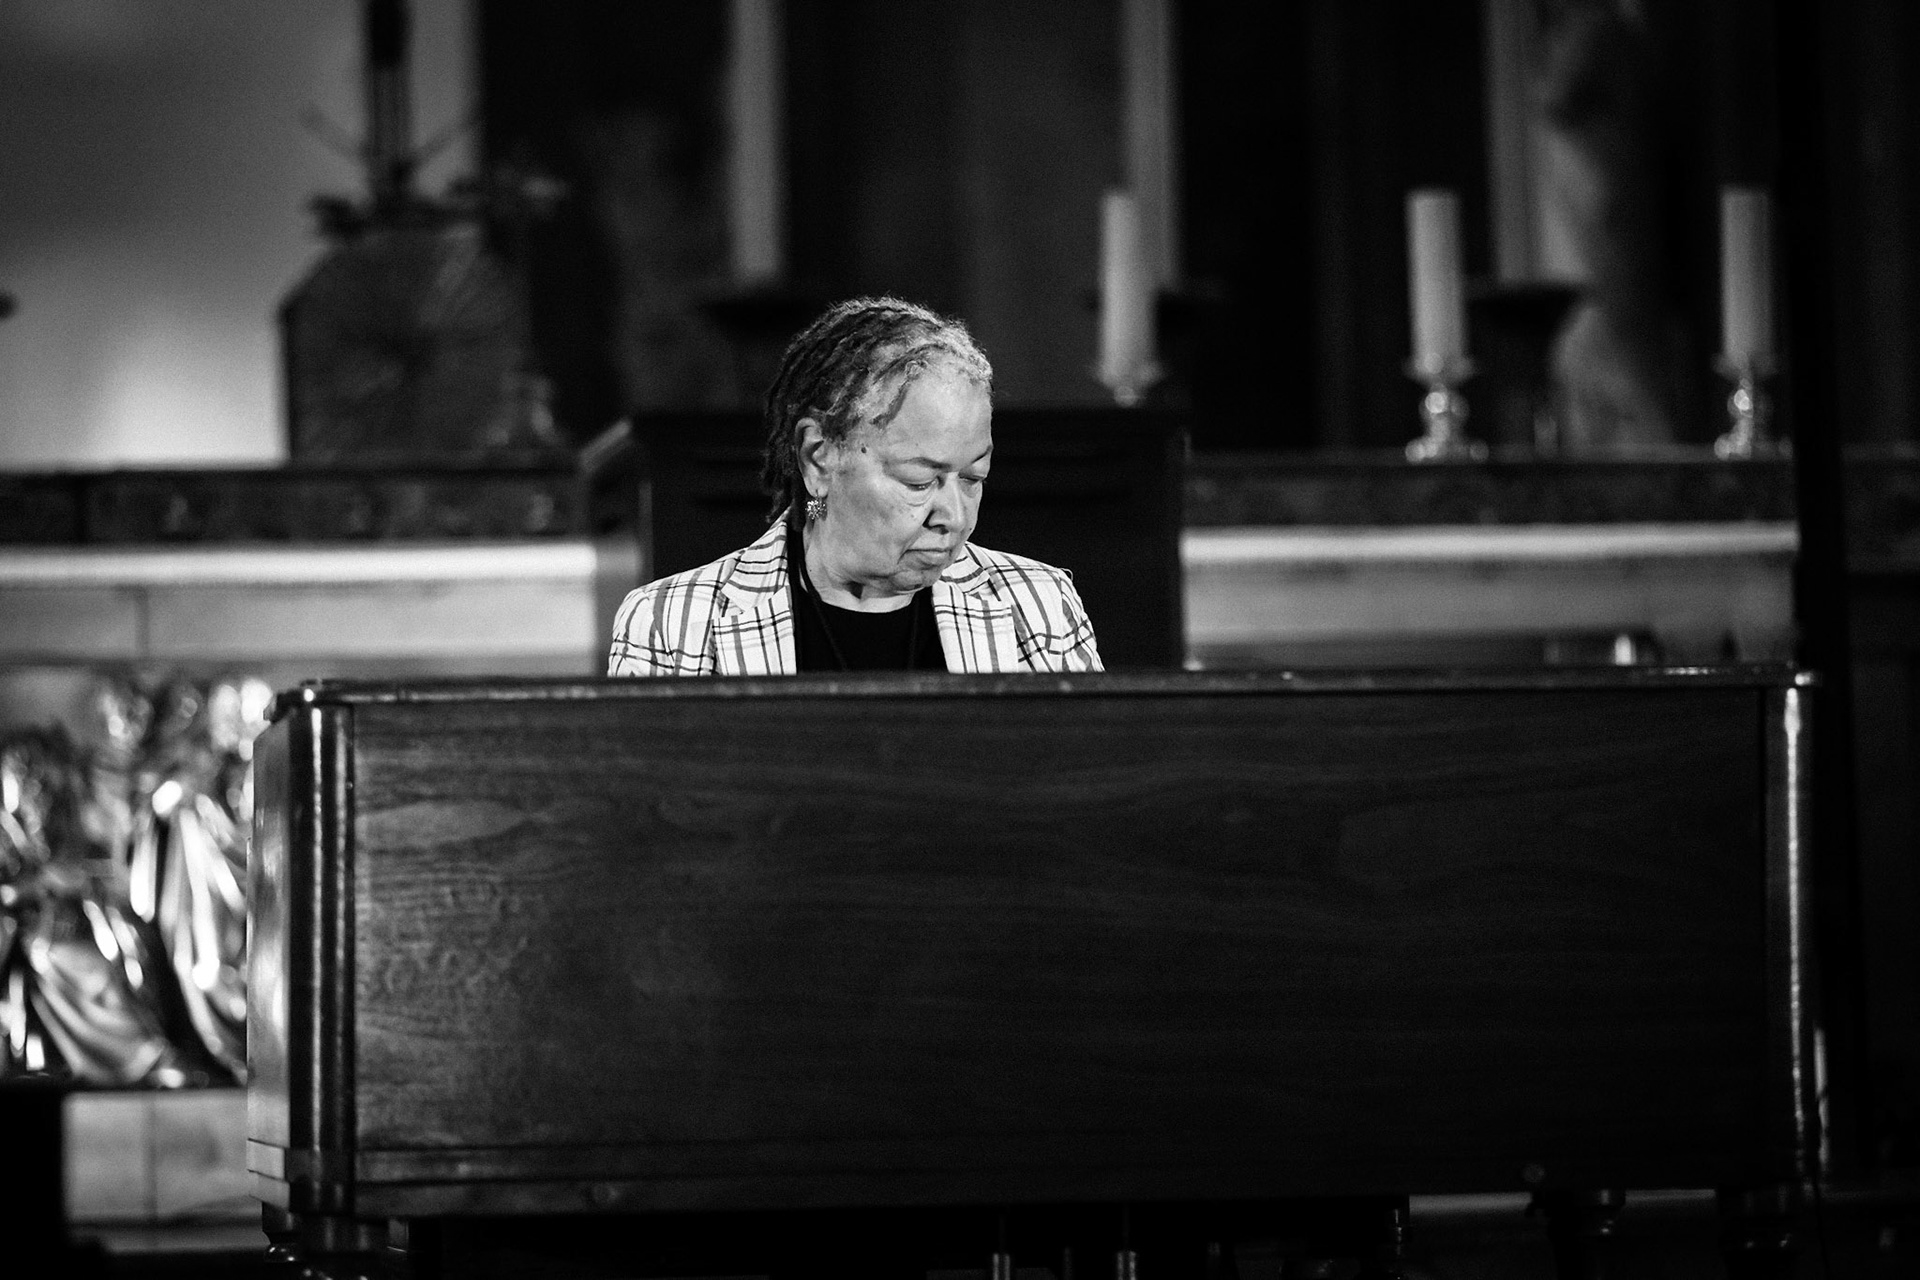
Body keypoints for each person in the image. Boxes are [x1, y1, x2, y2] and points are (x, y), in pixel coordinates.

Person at [609, 297, 1101, 676]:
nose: (952, 515)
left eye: (973, 478)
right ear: (818, 456)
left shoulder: (1035, 607)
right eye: (919, 479)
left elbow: (1092, 799)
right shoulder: (673, 625)